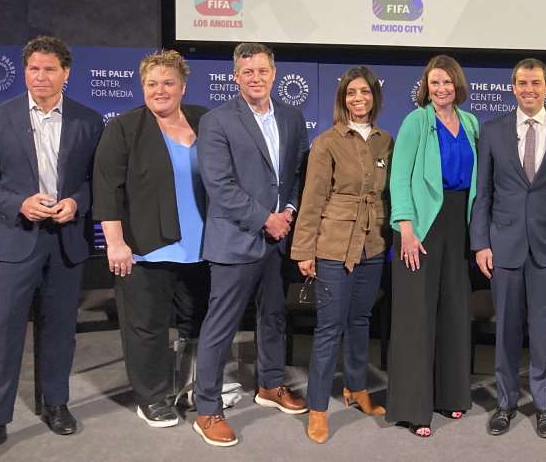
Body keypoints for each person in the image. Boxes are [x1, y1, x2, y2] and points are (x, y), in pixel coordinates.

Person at [0, 36, 103, 462]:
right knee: (4, 333)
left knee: (59, 329)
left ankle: (55, 404)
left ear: (66, 73)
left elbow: (96, 181)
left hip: (66, 242)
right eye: (33, 69)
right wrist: (18, 203)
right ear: (25, 72)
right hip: (14, 241)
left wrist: (76, 202)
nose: (40, 77)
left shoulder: (89, 120)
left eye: (49, 69)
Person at [191, 43, 311, 447]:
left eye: (262, 71)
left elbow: (297, 172)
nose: (255, 78)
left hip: (278, 240)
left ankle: (271, 384)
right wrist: (266, 219)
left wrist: (289, 210)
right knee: (221, 326)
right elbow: (219, 185)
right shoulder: (217, 121)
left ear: (273, 74)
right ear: (236, 77)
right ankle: (207, 410)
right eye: (247, 72)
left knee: (274, 316)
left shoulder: (292, 117)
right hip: (235, 239)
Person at [92, 50, 210, 429]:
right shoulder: (124, 128)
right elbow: (107, 189)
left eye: (168, 82)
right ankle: (152, 398)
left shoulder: (204, 121)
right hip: (145, 250)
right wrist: (115, 243)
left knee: (197, 323)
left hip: (202, 249)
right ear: (142, 86)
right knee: (147, 328)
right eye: (152, 83)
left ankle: (192, 386)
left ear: (183, 86)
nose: (160, 90)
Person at [471, 58, 546, 439]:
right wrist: (481, 243)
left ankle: (544, 405)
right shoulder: (492, 130)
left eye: (536, 83)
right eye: (522, 83)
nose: (529, 90)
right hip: (503, 246)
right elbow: (483, 192)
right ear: (513, 87)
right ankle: (504, 404)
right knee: (505, 330)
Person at [291, 66, 392, 443]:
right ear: (343, 99)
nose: (358, 98)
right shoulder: (326, 142)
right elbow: (312, 199)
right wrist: (304, 250)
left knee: (361, 321)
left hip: (373, 244)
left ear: (374, 97)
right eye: (351, 93)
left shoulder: (385, 140)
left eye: (364, 92)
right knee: (329, 328)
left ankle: (356, 388)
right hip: (333, 246)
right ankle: (318, 409)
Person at [386, 55, 479, 438]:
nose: (441, 89)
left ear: (458, 85)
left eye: (447, 82)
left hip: (459, 225)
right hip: (421, 226)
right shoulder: (415, 121)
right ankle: (413, 408)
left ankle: (450, 395)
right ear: (426, 87)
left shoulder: (470, 123)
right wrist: (406, 228)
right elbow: (399, 178)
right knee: (417, 317)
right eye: (435, 83)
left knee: (454, 311)